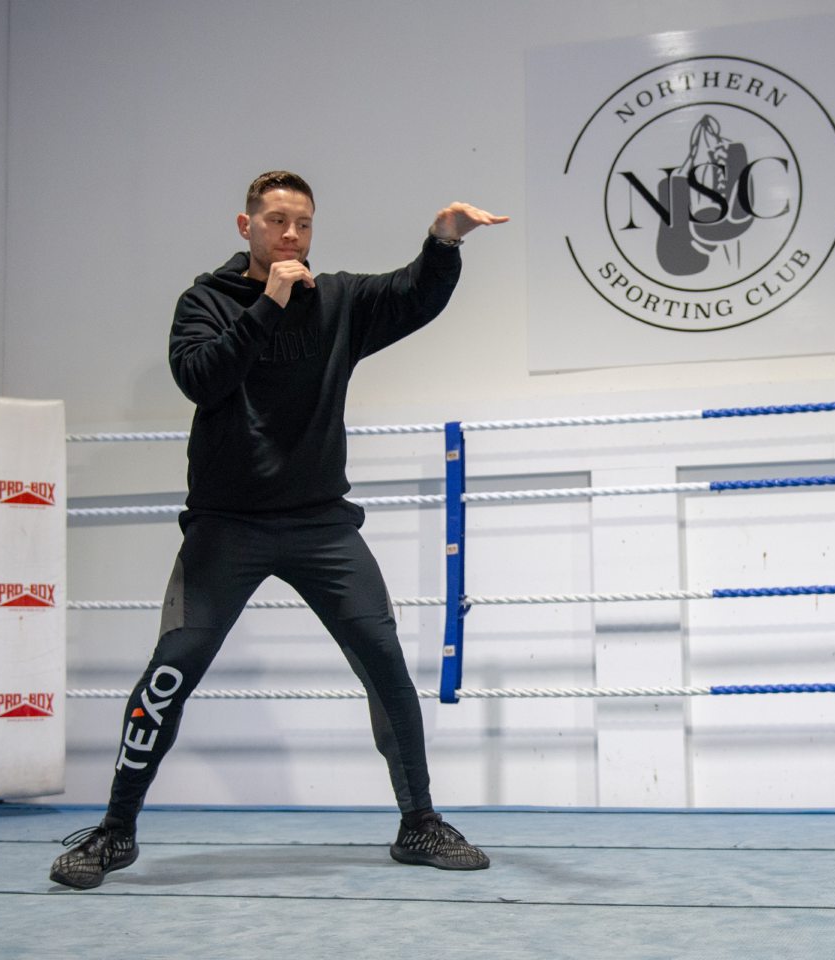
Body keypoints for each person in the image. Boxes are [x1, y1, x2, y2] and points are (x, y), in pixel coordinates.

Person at [48, 171, 508, 889]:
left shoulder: (339, 302)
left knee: (384, 661)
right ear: (246, 226)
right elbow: (200, 377)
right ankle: (114, 833)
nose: (290, 235)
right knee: (171, 671)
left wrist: (443, 241)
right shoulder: (205, 301)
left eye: (303, 223)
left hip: (321, 524)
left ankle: (419, 824)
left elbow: (415, 294)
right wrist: (268, 303)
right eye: (276, 221)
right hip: (226, 527)